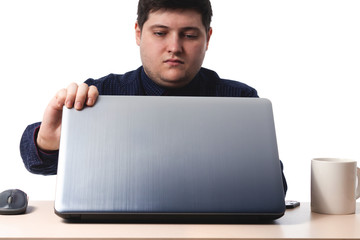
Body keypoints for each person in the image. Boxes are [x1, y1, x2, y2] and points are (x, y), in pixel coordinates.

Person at [20, 0, 287, 193]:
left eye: (190, 35)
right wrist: (46, 141)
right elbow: (37, 164)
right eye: (160, 33)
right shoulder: (100, 96)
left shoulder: (240, 101)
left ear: (207, 38)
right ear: (138, 33)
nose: (174, 47)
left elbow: (274, 187)